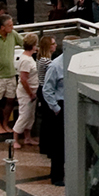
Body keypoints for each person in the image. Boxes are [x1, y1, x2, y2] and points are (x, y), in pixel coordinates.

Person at [41, 37, 71, 185]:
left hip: (75, 105)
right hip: (62, 105)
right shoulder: (56, 66)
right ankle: (57, 176)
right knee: (59, 144)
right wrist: (56, 108)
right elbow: (47, 89)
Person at [11, 34, 39, 148]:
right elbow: (23, 79)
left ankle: (28, 137)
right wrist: (30, 93)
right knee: (24, 115)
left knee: (30, 115)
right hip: (26, 93)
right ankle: (15, 139)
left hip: (32, 92)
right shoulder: (26, 60)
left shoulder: (29, 58)